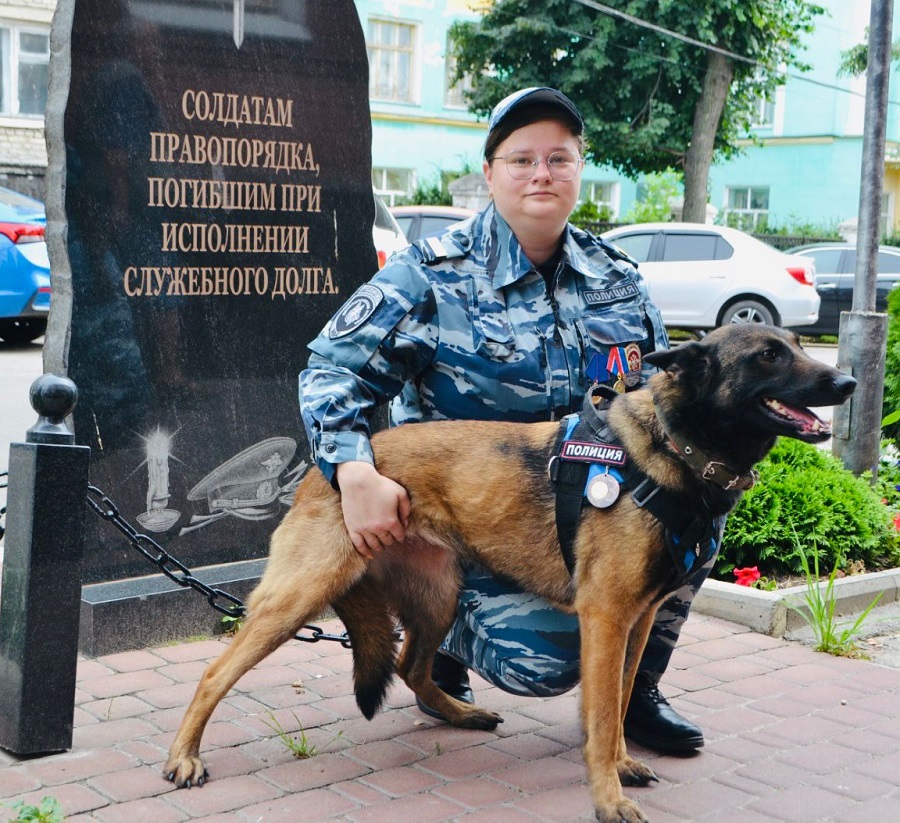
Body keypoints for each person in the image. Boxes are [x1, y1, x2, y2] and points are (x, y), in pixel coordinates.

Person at [299, 87, 710, 754]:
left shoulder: (619, 281)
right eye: (521, 160)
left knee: (688, 533)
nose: (541, 173)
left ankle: (633, 697)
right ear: (489, 174)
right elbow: (329, 373)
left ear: (581, 167)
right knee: (545, 659)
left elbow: (654, 401)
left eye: (559, 157)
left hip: (585, 519)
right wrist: (352, 468)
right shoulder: (431, 276)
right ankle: (442, 627)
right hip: (464, 522)